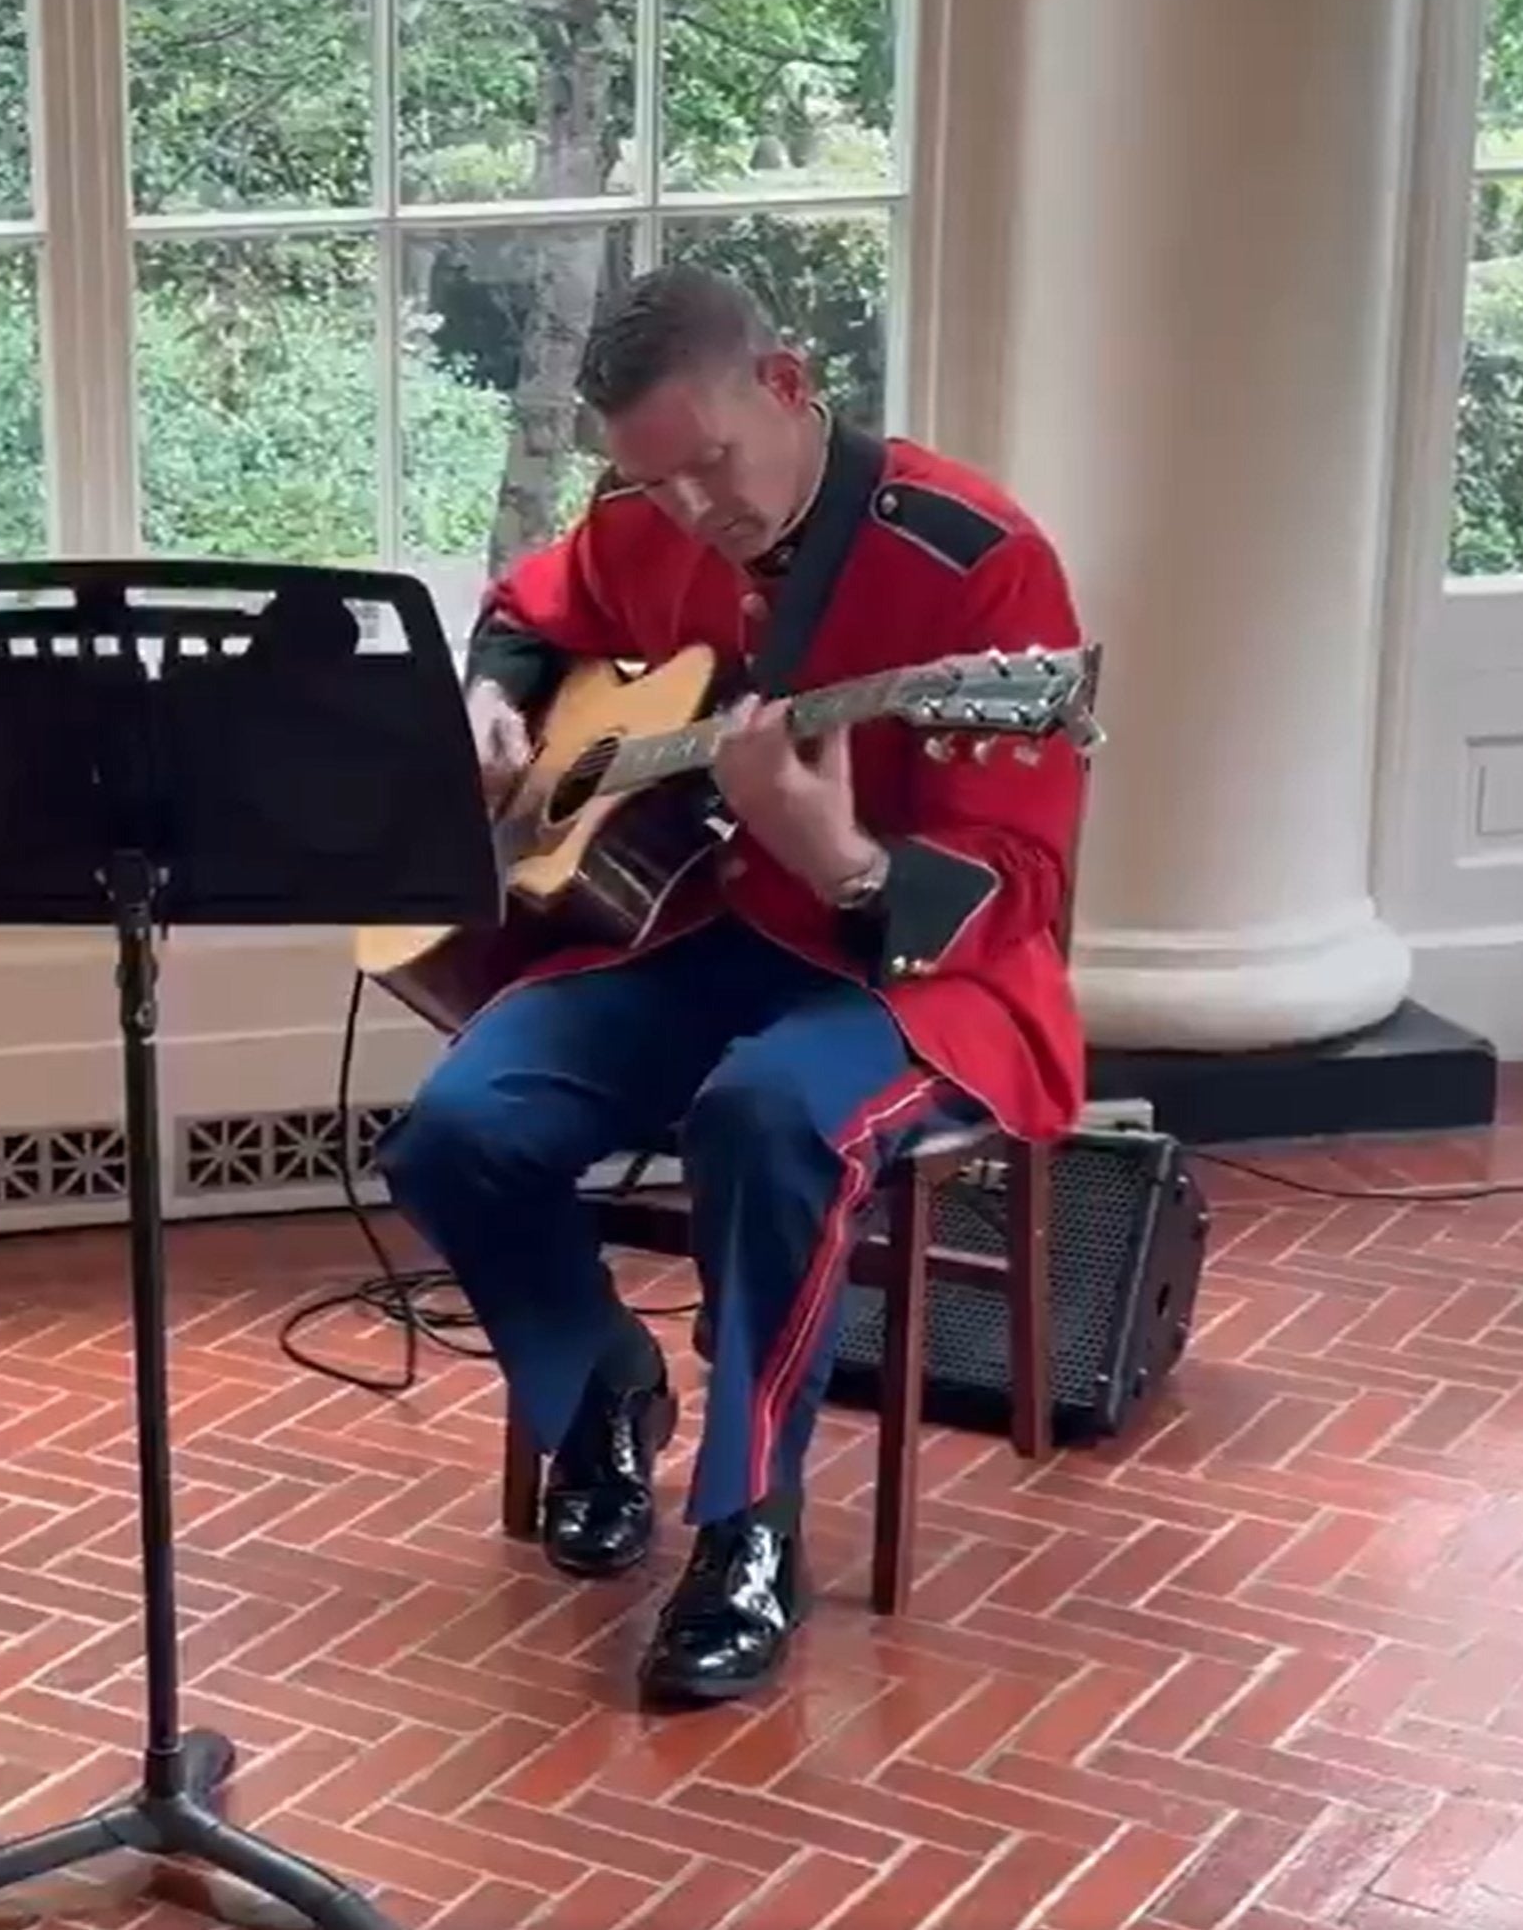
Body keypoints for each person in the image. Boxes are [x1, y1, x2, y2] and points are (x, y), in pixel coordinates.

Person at [375, 264, 1086, 1708]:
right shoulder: (644, 511)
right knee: (455, 1132)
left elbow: (1022, 881)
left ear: (786, 381)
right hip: (700, 926)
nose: (693, 508)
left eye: (709, 465)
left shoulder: (973, 565)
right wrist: (492, 693)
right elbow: (533, 604)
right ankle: (598, 1390)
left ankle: (745, 1526)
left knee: (764, 1122)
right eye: (657, 481)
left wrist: (839, 858)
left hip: (920, 972)